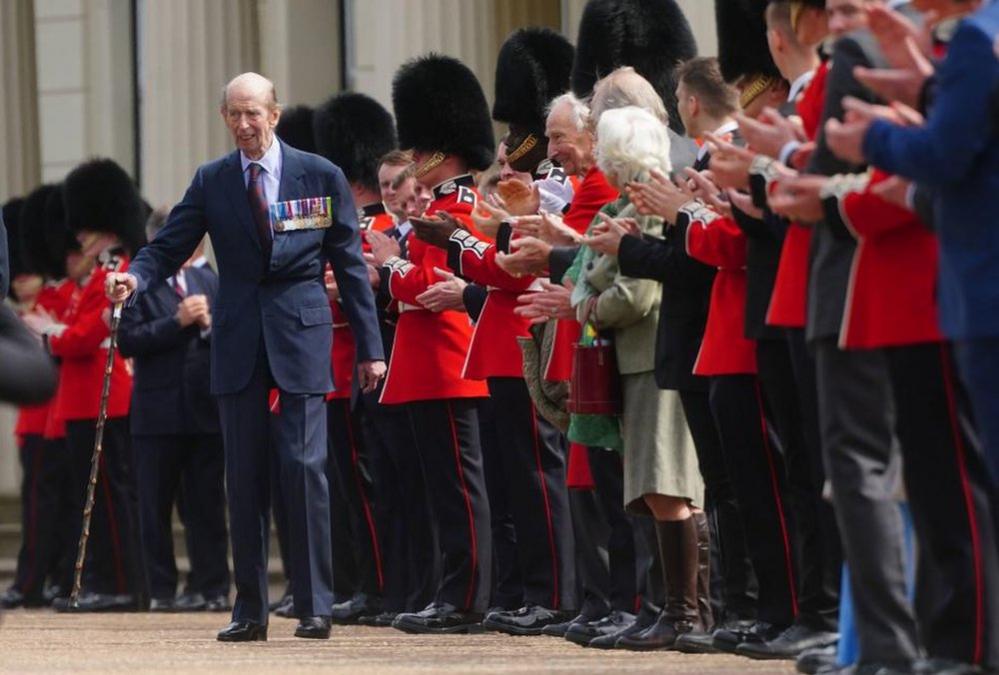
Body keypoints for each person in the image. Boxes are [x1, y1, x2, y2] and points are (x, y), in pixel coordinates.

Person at [105, 72, 386, 642]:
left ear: (274, 115)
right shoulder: (212, 180)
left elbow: (351, 268)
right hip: (236, 340)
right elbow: (169, 244)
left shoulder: (319, 173)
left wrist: (370, 349)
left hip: (300, 333)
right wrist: (134, 278)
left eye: (252, 113)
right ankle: (250, 609)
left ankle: (314, 605)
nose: (243, 124)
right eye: (233, 114)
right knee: (245, 475)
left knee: (305, 470)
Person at [370, 54, 494, 634]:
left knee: (458, 492)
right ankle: (454, 590)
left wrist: (392, 269)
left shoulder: (456, 210)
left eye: (419, 151)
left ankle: (465, 597)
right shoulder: (440, 207)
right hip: (425, 364)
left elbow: (432, 287)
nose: (413, 160)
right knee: (442, 491)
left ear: (443, 152)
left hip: (448, 362)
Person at [574, 106, 706, 651]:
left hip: (652, 357)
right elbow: (589, 272)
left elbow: (636, 293)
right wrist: (588, 295)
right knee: (657, 490)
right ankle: (673, 608)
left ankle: (684, 611)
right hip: (636, 360)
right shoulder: (627, 202)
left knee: (667, 487)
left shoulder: (648, 202)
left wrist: (590, 307)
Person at [117, 208, 231, 613]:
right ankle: (161, 589)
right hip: (158, 412)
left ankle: (212, 586)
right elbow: (128, 340)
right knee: (155, 507)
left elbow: (229, 330)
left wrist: (207, 325)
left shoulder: (207, 278)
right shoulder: (138, 283)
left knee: (207, 505)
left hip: (203, 410)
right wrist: (176, 321)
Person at [312, 91, 397, 624]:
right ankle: (364, 582)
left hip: (360, 369)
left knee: (367, 487)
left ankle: (380, 585)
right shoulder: (342, 227)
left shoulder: (379, 231)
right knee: (348, 488)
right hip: (333, 369)